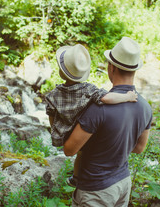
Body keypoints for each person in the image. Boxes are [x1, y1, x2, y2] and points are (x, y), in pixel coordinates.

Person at [63, 37, 153, 207]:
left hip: (95, 190)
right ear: (134, 70)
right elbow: (139, 148)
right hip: (123, 183)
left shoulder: (98, 107)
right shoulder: (145, 107)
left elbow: (69, 149)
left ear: (111, 67)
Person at [45, 44, 138, 187]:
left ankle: (74, 178)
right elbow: (107, 98)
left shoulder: (53, 94)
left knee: (79, 153)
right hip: (82, 132)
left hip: (64, 134)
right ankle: (76, 178)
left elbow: (51, 115)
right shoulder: (88, 90)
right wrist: (127, 97)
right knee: (82, 153)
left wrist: (58, 132)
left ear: (61, 72)